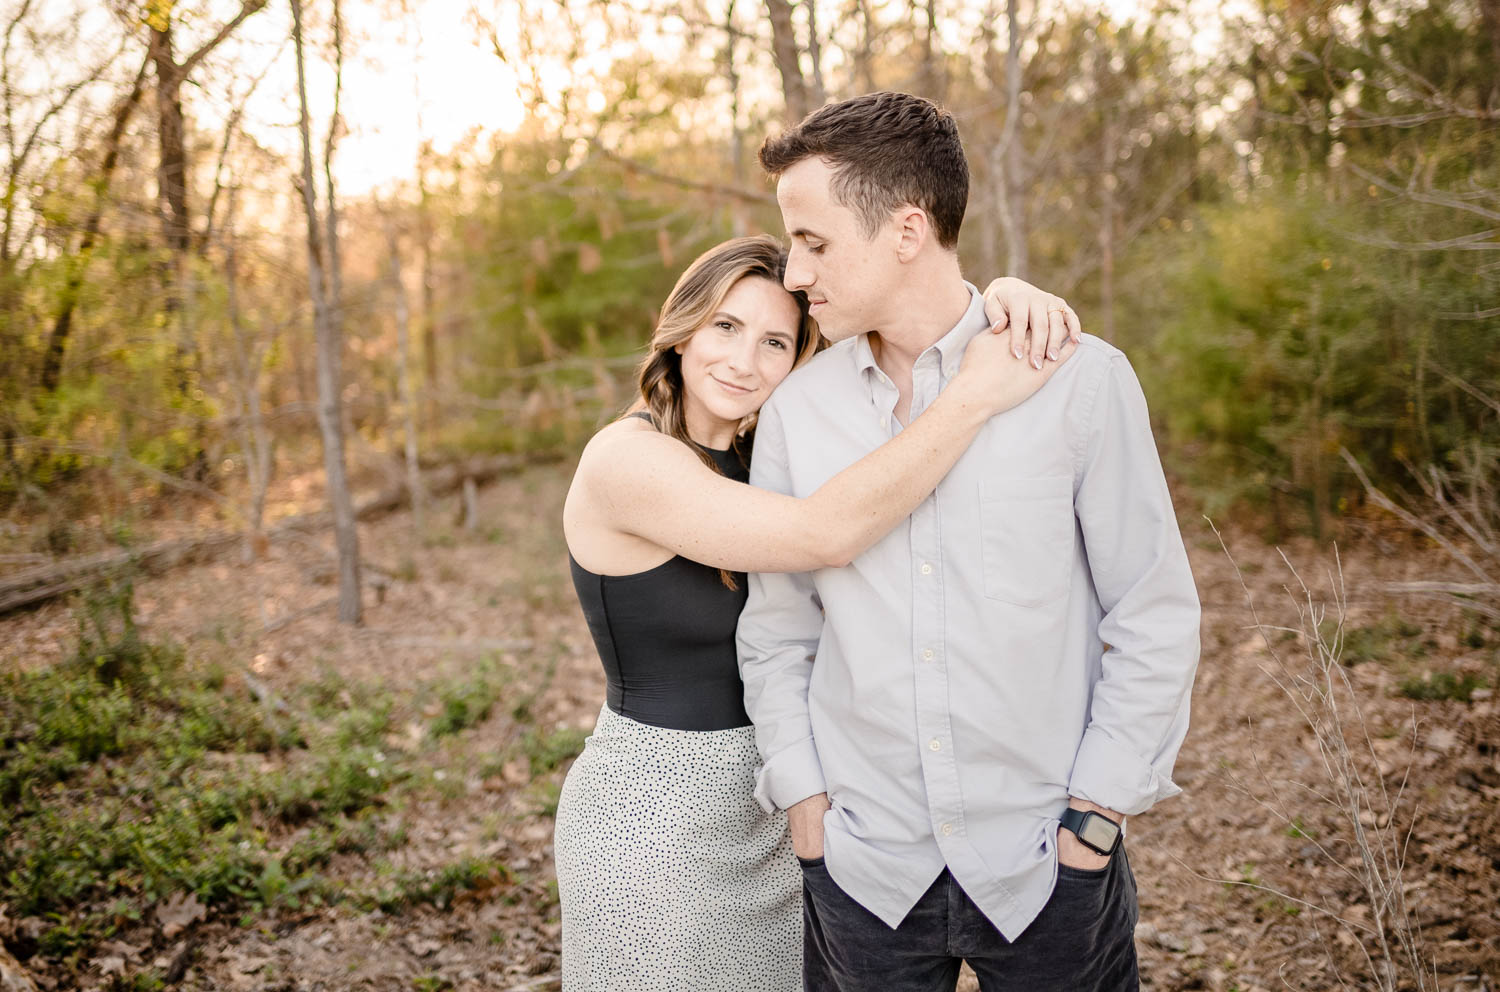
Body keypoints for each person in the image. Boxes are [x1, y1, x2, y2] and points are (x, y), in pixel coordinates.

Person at [737, 92, 1201, 992]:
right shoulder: (798, 409)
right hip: (863, 865)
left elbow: (1151, 610)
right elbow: (779, 629)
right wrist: (805, 803)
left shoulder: (1079, 380)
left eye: (816, 242)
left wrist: (1095, 817)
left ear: (907, 231)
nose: (795, 273)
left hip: (1046, 863)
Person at [555, 233, 1081, 991]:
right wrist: (974, 393)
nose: (743, 360)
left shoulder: (767, 452)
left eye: (775, 341)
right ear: (682, 327)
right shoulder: (626, 460)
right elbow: (825, 535)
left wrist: (999, 302)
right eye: (725, 327)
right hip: (655, 819)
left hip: (781, 804)